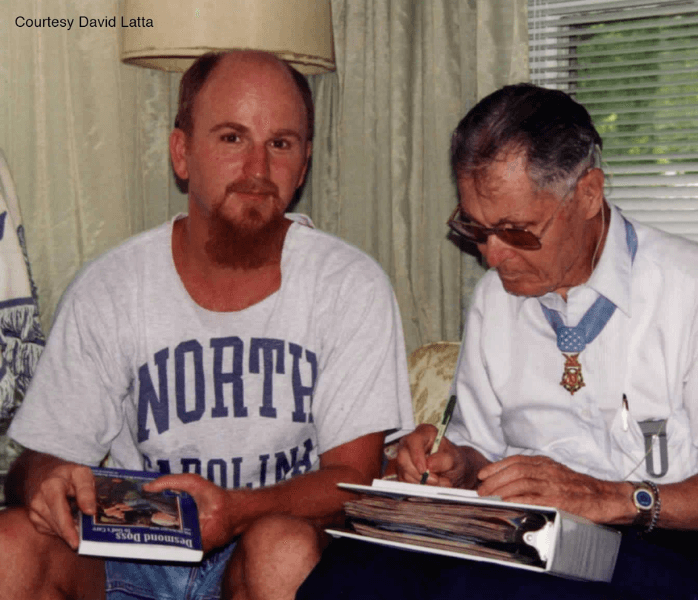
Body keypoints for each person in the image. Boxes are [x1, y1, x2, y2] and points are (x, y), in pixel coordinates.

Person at [297, 83, 698, 600]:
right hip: (515, 532)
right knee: (352, 571)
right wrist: (455, 463)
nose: (493, 256)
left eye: (517, 231)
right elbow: (479, 450)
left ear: (588, 194)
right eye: (475, 230)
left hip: (652, 546)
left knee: (472, 588)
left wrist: (610, 497)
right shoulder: (494, 298)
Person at [0, 50, 414, 600]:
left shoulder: (348, 284)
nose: (258, 170)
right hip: (131, 556)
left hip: (264, 547)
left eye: (281, 144)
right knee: (11, 543)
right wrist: (46, 480)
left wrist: (239, 511)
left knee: (280, 547)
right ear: (182, 153)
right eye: (231, 138)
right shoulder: (111, 287)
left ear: (305, 161)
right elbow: (34, 460)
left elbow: (351, 480)